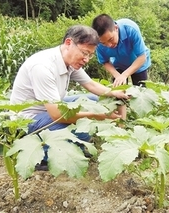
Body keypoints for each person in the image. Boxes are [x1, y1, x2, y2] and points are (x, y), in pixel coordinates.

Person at [10, 25, 129, 170]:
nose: (86, 59)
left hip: (49, 109)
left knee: (92, 101)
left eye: (90, 55)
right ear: (68, 43)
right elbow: (57, 114)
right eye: (84, 53)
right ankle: (40, 157)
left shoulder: (69, 62)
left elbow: (91, 85)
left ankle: (73, 146)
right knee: (83, 127)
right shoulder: (42, 67)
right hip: (29, 120)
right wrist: (96, 116)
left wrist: (115, 93)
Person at [92, 14, 151, 120]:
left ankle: (142, 120)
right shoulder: (98, 43)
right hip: (119, 64)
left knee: (141, 93)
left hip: (138, 64)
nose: (109, 45)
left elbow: (142, 57)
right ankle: (121, 122)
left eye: (110, 39)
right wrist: (117, 75)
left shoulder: (131, 29)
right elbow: (105, 61)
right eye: (104, 43)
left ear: (116, 28)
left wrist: (125, 75)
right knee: (118, 92)